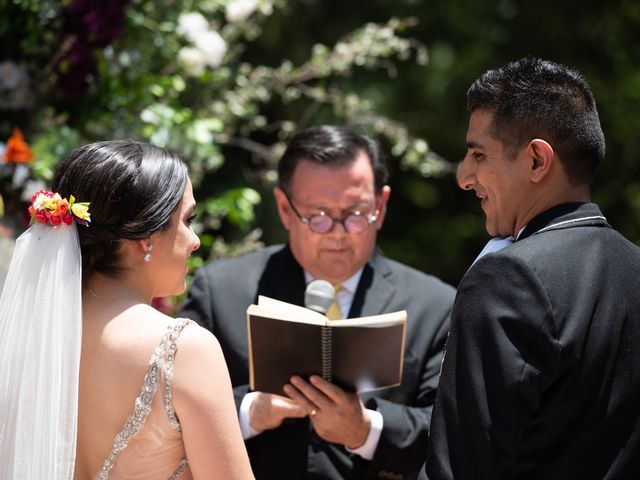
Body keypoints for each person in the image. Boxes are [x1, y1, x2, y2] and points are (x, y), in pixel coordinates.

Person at [178, 125, 456, 479]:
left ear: (381, 206)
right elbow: (171, 410)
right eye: (318, 216)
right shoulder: (222, 291)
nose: (338, 232)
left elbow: (451, 431)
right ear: (284, 208)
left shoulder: (435, 305)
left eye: (356, 214)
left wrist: (364, 428)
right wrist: (251, 410)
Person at [424, 57, 640, 479]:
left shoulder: (506, 278)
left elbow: (462, 466)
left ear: (537, 161)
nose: (465, 176)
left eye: (478, 153)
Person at [0, 140, 254, 479]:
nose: (194, 240)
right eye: (187, 220)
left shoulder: (23, 338)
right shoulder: (183, 349)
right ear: (146, 236)